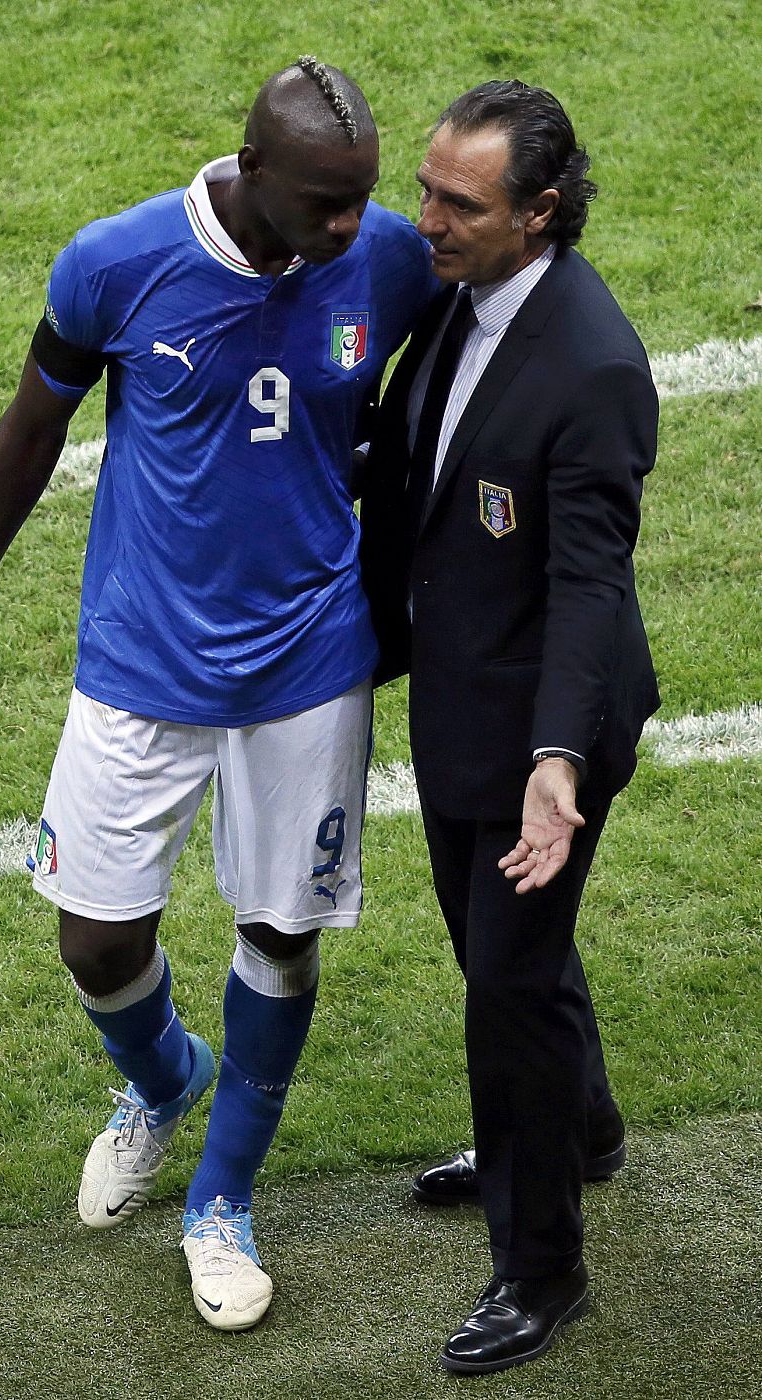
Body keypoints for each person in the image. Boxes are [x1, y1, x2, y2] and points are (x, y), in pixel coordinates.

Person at [0, 57, 433, 1332]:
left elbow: (468, 357)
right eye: (324, 203)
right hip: (142, 659)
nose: (348, 226)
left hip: (308, 659)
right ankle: (162, 1080)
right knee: (95, 938)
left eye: (362, 199)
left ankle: (222, 1198)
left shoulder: (382, 256)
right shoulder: (115, 263)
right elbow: (28, 434)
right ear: (252, 169)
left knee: (279, 932)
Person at [360, 81, 659, 1374]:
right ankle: (577, 1130)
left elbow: (589, 582)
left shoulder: (591, 365)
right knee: (505, 957)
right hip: (459, 700)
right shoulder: (461, 289)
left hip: (540, 727)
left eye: (457, 204)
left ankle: (539, 1268)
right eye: (425, 189)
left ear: (537, 212)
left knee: (506, 988)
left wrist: (553, 761)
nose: (424, 220)